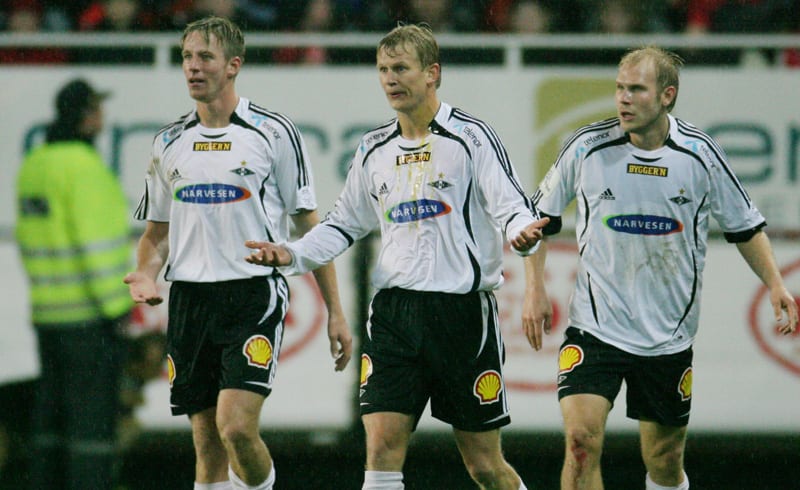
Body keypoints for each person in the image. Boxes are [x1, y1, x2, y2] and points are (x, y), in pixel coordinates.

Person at [245, 23, 549, 490]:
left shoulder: (471, 138)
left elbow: (510, 205)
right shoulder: (373, 148)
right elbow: (343, 224)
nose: (390, 78)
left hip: (462, 316)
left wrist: (520, 233)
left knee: (484, 465)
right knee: (381, 451)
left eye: (401, 68)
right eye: (384, 69)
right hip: (394, 316)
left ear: (432, 73)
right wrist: (290, 253)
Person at [527, 45, 799, 490]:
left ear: (667, 95)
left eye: (637, 89)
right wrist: (535, 289)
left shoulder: (699, 154)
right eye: (620, 88)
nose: (624, 98)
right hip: (596, 327)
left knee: (665, 461)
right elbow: (538, 221)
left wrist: (774, 284)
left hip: (667, 335)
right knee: (580, 442)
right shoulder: (587, 146)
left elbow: (745, 227)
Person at [123, 15, 352, 490]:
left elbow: (311, 228)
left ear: (233, 66)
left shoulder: (273, 133)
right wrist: (146, 272)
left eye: (205, 57)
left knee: (236, 427)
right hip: (190, 300)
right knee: (207, 444)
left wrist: (335, 311)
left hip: (252, 295)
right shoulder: (168, 142)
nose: (193, 67)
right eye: (187, 57)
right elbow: (156, 235)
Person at [15, 78, 134, 489]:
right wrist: (118, 308)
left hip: (47, 316)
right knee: (91, 432)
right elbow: (96, 248)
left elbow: (30, 239)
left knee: (50, 425)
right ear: (85, 118)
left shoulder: (35, 165)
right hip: (89, 321)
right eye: (97, 110)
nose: (102, 117)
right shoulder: (85, 170)